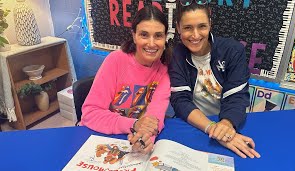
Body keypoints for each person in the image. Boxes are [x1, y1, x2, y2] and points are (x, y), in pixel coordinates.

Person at [169, 0, 260, 158]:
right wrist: (213, 128)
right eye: (188, 28)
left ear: (210, 24)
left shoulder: (233, 50)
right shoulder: (176, 55)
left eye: (202, 26)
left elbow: (237, 97)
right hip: (195, 124)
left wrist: (225, 125)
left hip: (229, 123)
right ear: (178, 28)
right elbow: (180, 101)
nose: (195, 35)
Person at [81, 5, 171, 154]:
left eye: (158, 36)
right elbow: (90, 113)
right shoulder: (115, 61)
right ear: (134, 36)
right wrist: (134, 124)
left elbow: (155, 117)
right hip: (99, 134)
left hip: (132, 136)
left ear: (165, 37)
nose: (151, 43)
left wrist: (145, 139)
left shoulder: (165, 69)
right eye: (144, 35)